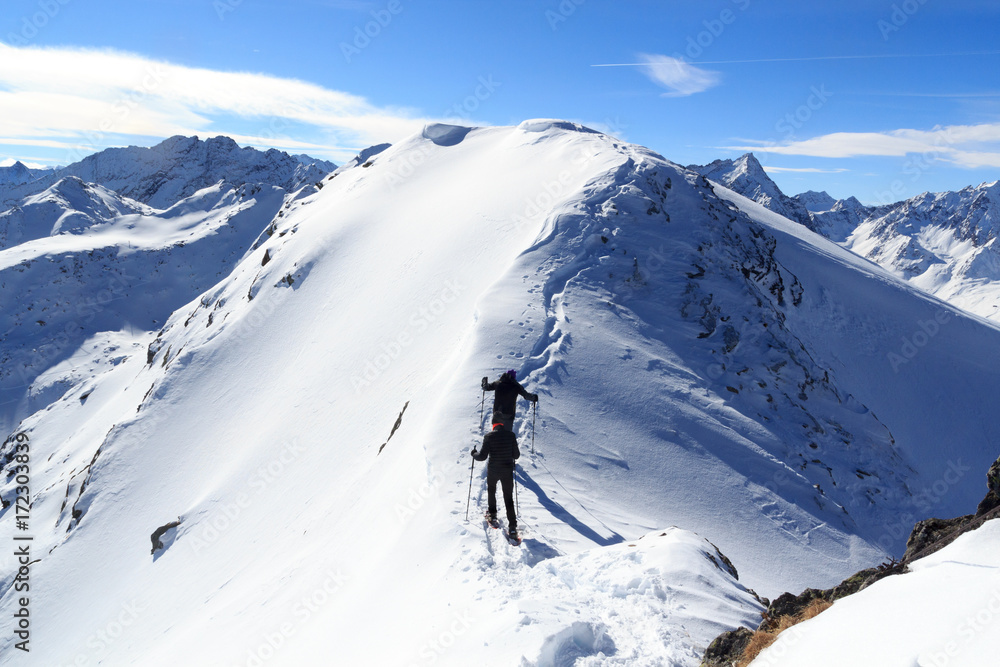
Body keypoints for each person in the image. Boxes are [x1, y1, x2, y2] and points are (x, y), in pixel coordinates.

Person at [472, 422, 520, 537]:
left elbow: (482, 457)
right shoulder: (511, 435)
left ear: (494, 424)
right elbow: (516, 455)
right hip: (507, 471)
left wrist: (474, 453)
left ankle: (492, 515)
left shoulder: (489, 436)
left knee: (491, 491)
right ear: (502, 424)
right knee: (508, 498)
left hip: (493, 470)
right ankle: (512, 527)